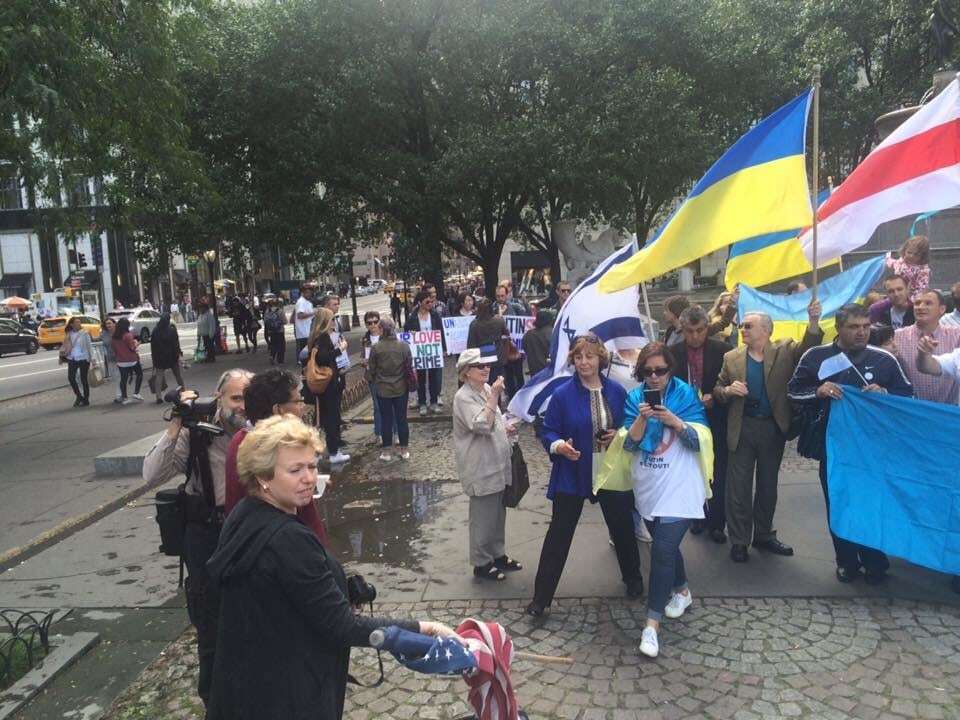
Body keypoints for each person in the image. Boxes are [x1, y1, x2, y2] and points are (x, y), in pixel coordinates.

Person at [206, 415, 460, 720]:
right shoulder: (288, 539)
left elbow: (283, 591)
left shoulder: (245, 515)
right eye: (295, 470)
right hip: (288, 695)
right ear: (263, 477)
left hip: (247, 687)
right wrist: (424, 629)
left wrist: (336, 583)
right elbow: (341, 625)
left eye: (312, 466)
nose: (309, 478)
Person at [142, 368, 253, 706]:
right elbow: (151, 474)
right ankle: (216, 701)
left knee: (253, 613)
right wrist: (177, 422)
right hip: (207, 533)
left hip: (248, 531)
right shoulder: (197, 433)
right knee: (211, 624)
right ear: (218, 398)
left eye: (248, 398)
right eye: (235, 398)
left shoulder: (260, 432)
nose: (242, 406)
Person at [788, 303, 912, 584]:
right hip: (832, 446)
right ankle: (846, 562)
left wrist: (885, 393)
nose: (861, 332)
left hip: (872, 449)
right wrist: (818, 391)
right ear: (839, 328)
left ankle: (875, 560)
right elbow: (793, 392)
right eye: (854, 327)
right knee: (839, 503)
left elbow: (908, 397)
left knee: (871, 503)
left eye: (866, 326)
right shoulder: (816, 356)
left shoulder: (884, 360)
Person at [527, 334, 643, 617]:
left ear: (600, 358)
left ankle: (634, 580)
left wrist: (619, 433)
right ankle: (541, 599)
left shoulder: (616, 391)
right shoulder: (563, 395)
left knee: (623, 528)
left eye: (589, 356)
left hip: (609, 469)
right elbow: (548, 429)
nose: (584, 362)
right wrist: (559, 446)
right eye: (578, 357)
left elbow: (630, 422)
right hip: (573, 470)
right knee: (559, 533)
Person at [713, 298, 823, 563]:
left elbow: (809, 347)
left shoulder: (784, 350)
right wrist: (728, 391)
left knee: (767, 485)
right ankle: (739, 540)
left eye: (749, 326)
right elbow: (718, 389)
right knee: (737, 488)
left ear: (766, 330)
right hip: (742, 426)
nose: (743, 329)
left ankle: (764, 534)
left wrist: (814, 321)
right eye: (742, 325)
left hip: (772, 427)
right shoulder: (731, 357)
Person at [623, 342, 712, 659]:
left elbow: (698, 439)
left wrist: (674, 420)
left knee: (661, 549)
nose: (654, 377)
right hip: (649, 484)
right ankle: (683, 590)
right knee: (665, 544)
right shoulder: (635, 399)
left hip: (681, 484)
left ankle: (651, 625)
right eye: (647, 372)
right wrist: (642, 421)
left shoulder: (686, 395)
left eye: (660, 371)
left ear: (670, 370)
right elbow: (629, 447)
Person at [223, 368, 327, 542]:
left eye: (311, 467)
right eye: (297, 401)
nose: (301, 408)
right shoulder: (274, 447)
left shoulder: (241, 440)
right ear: (278, 409)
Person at [453, 347, 522, 581]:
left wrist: (505, 425)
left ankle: (497, 554)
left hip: (496, 463)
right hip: (480, 466)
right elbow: (481, 425)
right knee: (483, 517)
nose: (486, 369)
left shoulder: (483, 388)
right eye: (479, 366)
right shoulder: (463, 397)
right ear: (466, 372)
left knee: (497, 513)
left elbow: (494, 420)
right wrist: (494, 396)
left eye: (487, 365)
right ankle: (481, 563)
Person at [669, 305, 731, 543]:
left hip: (716, 420)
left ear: (707, 328)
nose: (695, 336)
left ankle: (717, 522)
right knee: (691, 470)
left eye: (700, 330)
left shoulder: (724, 350)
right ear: (682, 330)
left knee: (718, 471)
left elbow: (732, 384)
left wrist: (715, 397)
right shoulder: (672, 352)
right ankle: (697, 516)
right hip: (685, 422)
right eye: (690, 331)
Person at [893, 289, 960, 404]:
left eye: (928, 303)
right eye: (917, 303)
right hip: (912, 409)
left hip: (947, 412)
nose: (920, 307)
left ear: (942, 309)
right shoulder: (897, 337)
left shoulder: (956, 335)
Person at [306, 308, 350, 465]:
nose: (334, 322)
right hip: (328, 384)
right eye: (332, 319)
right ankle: (333, 451)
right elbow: (324, 358)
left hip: (324, 384)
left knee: (322, 418)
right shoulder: (323, 338)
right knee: (331, 418)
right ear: (326, 322)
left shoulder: (317, 337)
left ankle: (319, 451)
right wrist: (340, 349)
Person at [367, 317, 411, 461]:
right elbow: (409, 367)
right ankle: (404, 450)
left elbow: (371, 370)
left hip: (383, 389)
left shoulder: (376, 348)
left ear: (381, 330)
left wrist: (372, 377)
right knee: (402, 419)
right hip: (401, 388)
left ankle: (386, 452)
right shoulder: (404, 346)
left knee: (386, 419)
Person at [404, 290, 446, 415]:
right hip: (420, 352)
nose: (430, 303)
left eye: (431, 301)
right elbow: (406, 332)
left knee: (434, 378)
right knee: (420, 379)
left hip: (433, 351)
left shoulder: (434, 315)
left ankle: (433, 402)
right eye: (427, 301)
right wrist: (411, 334)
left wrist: (443, 348)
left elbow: (440, 331)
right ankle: (422, 403)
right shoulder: (412, 317)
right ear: (420, 302)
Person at [468, 298, 510, 390]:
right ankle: (496, 403)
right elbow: (507, 334)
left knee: (483, 387)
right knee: (496, 386)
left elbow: (470, 346)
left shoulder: (474, 325)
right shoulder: (499, 320)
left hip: (482, 359)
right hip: (497, 357)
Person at [360, 310, 385, 441]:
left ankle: (392, 431)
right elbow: (363, 356)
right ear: (366, 325)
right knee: (377, 406)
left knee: (389, 405)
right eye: (370, 323)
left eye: (375, 322)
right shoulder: (365, 339)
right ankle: (379, 433)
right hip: (373, 376)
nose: (373, 325)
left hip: (386, 375)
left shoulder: (385, 336)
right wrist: (363, 362)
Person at [149, 314, 184, 403]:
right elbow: (176, 345)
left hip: (159, 357)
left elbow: (153, 346)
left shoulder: (155, 331)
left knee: (159, 376)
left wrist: (153, 358)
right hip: (171, 356)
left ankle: (158, 397)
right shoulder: (172, 330)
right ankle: (184, 391)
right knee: (177, 375)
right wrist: (179, 355)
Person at [885, 234, 931, 300]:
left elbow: (921, 288)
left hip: (911, 298)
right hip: (895, 294)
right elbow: (892, 263)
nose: (911, 256)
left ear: (922, 256)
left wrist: (912, 299)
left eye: (916, 254)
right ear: (904, 251)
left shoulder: (922, 270)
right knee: (875, 308)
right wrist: (887, 258)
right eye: (909, 252)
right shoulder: (901, 262)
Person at [61, 316, 93, 407]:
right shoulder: (69, 334)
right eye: (77, 322)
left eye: (79, 322)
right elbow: (65, 345)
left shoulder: (85, 333)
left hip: (83, 358)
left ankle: (86, 399)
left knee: (84, 379)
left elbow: (89, 346)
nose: (79, 324)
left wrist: (93, 359)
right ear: (72, 324)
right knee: (71, 378)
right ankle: (79, 396)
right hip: (72, 358)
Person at [112, 317, 144, 404]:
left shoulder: (114, 336)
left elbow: (114, 349)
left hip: (120, 361)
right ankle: (136, 393)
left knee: (123, 379)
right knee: (139, 374)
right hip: (131, 359)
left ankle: (124, 397)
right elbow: (132, 348)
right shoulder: (128, 335)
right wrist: (137, 343)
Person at [523, 309, 554, 377]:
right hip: (548, 371)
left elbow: (524, 348)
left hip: (534, 371)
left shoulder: (528, 334)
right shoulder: (550, 333)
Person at [293, 285, 316, 358]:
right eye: (307, 292)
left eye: (310, 292)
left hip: (307, 331)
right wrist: (313, 313)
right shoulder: (301, 302)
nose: (309, 294)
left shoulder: (307, 302)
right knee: (304, 351)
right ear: (303, 293)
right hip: (303, 332)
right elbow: (300, 315)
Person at [263, 297, 287, 365]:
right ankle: (280, 361)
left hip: (271, 331)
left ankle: (272, 356)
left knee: (273, 345)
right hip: (280, 331)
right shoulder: (280, 311)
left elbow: (265, 321)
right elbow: (285, 321)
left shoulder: (267, 311)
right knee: (281, 345)